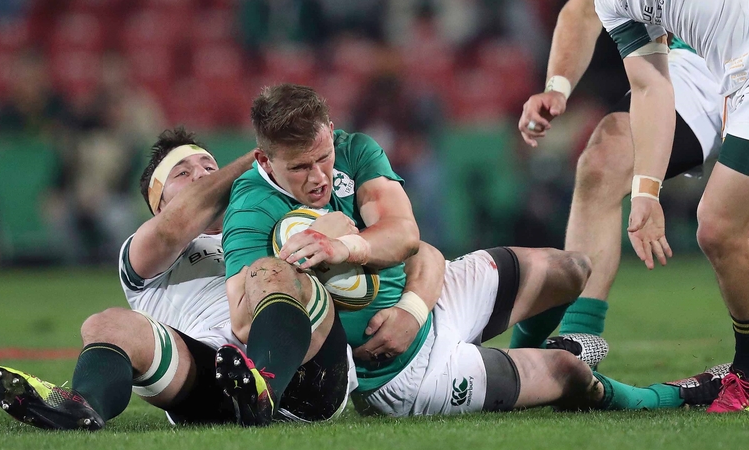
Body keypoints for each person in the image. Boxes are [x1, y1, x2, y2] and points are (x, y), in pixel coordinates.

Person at [221, 83, 725, 418]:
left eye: (323, 157)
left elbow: (404, 235)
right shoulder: (251, 208)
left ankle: (538, 347)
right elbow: (245, 317)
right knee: (570, 378)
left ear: (331, 132)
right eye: (300, 168)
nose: (319, 177)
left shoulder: (357, 150)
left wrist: (377, 276)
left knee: (571, 269)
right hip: (402, 372)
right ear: (265, 158)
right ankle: (673, 395)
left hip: (429, 301)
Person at [0, 128, 356, 430]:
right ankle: (82, 406)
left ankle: (263, 388)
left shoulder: (266, 222)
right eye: (183, 173)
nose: (203, 177)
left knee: (269, 270)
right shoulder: (146, 248)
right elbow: (177, 221)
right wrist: (269, 151)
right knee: (107, 323)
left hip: (310, 377)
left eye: (210, 167)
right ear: (157, 204)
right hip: (212, 379)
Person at [514, 0, 723, 351]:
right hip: (698, 63)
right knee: (604, 160)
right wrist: (558, 87)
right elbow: (582, 10)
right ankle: (577, 344)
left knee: (724, 229)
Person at [591, 0, 749, 413]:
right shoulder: (611, 3)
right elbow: (651, 86)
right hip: (738, 78)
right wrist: (646, 191)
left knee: (719, 223)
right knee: (719, 229)